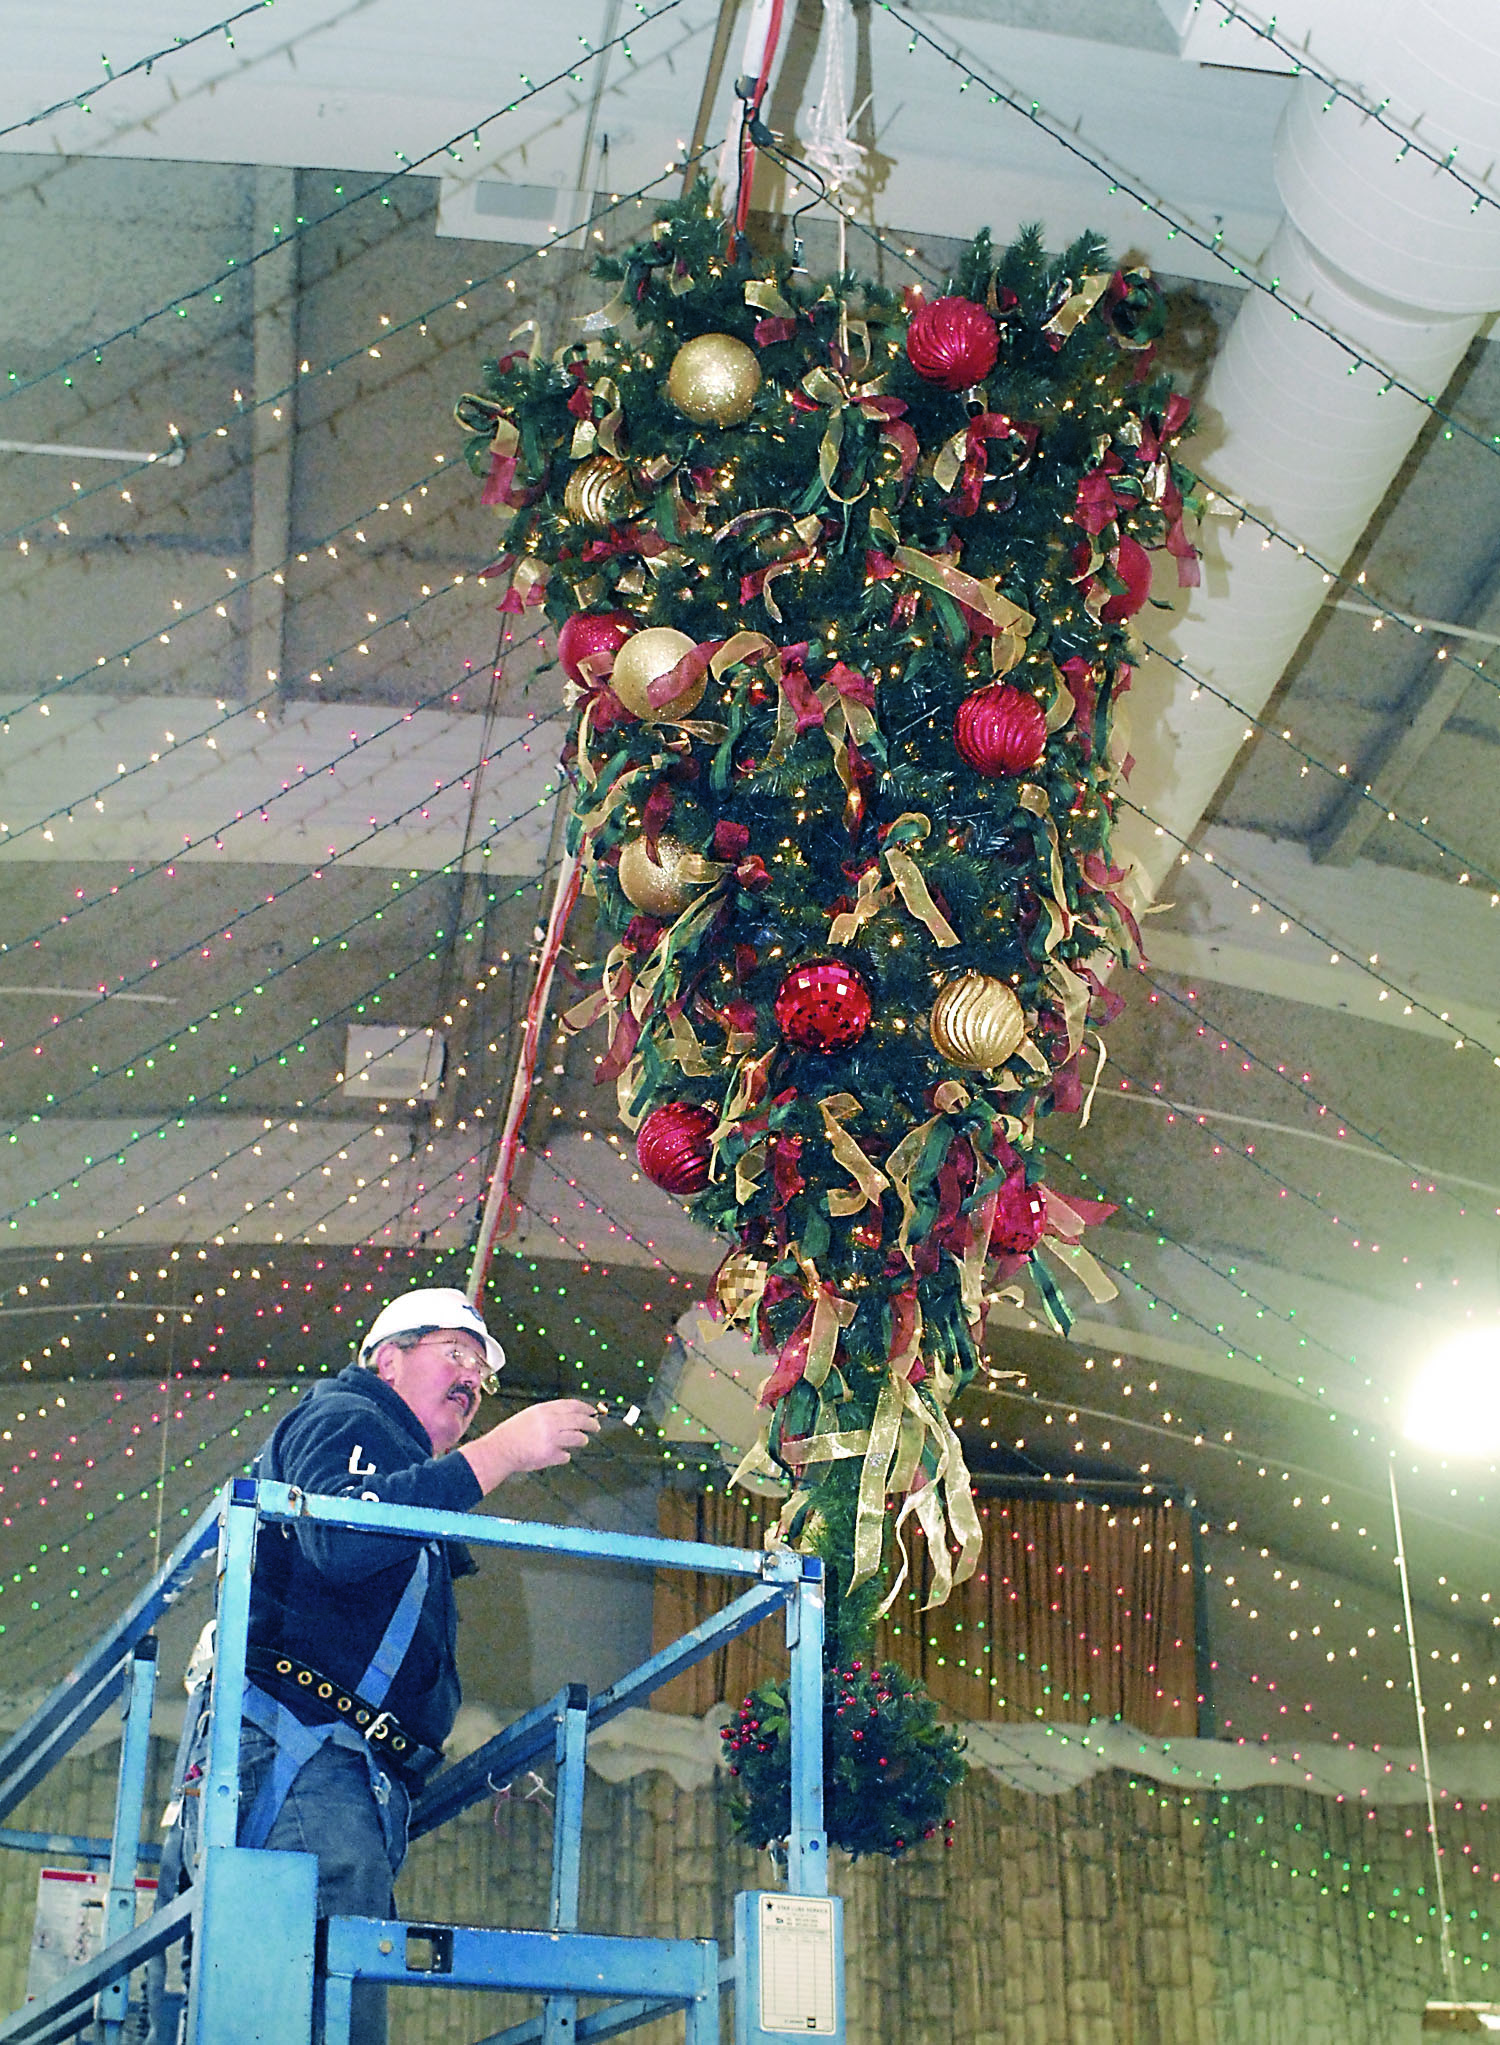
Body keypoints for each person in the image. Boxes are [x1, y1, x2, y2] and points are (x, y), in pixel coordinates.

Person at [150, 1287, 598, 2045]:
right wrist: (499, 1453)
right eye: (454, 1353)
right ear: (387, 1357)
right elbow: (345, 1535)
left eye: (481, 1375)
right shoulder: (349, 1417)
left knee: (304, 1997)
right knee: (318, 2005)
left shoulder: (403, 1475)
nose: (471, 1381)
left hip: (337, 1771)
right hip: (304, 1754)